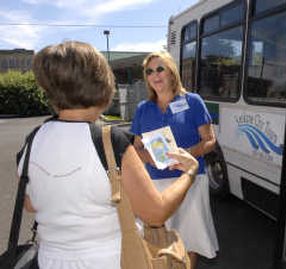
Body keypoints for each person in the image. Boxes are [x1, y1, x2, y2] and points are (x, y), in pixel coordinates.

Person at [18, 41, 199, 269]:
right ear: (102, 84)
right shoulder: (109, 141)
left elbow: (31, 203)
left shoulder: (33, 140)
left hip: (50, 260)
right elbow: (156, 213)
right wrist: (189, 172)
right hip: (111, 259)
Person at [130, 51, 219, 268]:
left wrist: (188, 154)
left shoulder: (193, 101)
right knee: (159, 240)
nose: (155, 75)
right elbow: (136, 147)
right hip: (156, 184)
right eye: (149, 71)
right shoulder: (143, 108)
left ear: (171, 72)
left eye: (160, 68)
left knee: (190, 238)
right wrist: (149, 160)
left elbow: (210, 140)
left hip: (190, 181)